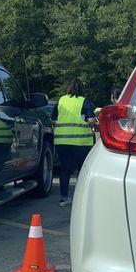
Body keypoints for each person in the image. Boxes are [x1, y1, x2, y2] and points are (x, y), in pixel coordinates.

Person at [51, 78, 95, 207]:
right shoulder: (84, 101)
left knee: (65, 169)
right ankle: (81, 199)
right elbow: (91, 119)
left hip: (61, 141)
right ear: (82, 89)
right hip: (81, 141)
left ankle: (64, 198)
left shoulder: (61, 101)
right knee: (82, 170)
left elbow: (53, 120)